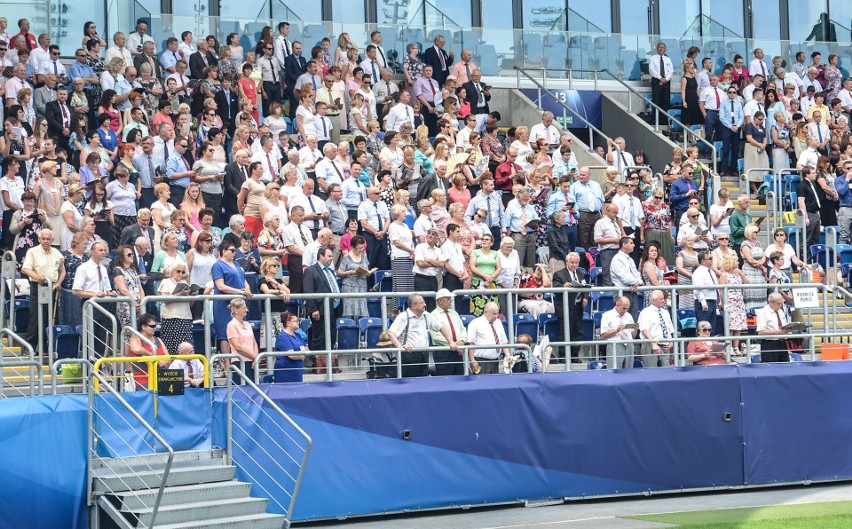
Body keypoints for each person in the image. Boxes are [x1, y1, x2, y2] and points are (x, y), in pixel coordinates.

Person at [20, 229, 64, 350]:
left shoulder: (56, 253)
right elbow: (25, 269)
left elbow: (62, 270)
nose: (45, 241)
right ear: (39, 239)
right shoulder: (33, 251)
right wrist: (37, 277)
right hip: (38, 286)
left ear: (52, 240)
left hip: (53, 287)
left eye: (48, 239)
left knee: (51, 319)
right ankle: (29, 348)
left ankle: (46, 347)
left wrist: (59, 282)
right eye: (43, 239)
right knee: (36, 318)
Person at [212, 242, 252, 357]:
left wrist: (247, 289)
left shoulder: (237, 264)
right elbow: (220, 286)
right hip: (224, 304)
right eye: (232, 250)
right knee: (225, 333)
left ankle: (241, 359)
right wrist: (241, 292)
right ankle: (226, 364)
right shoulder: (218, 265)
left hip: (239, 303)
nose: (235, 253)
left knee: (239, 330)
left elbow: (244, 280)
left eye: (235, 251)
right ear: (224, 251)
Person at [552, 252, 588, 363]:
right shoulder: (559, 274)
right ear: (566, 262)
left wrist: (585, 297)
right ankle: (563, 357)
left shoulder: (581, 274)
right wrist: (563, 286)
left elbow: (585, 287)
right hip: (564, 307)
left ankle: (574, 356)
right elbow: (555, 288)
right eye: (572, 262)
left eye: (576, 263)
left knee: (578, 332)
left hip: (578, 307)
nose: (574, 265)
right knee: (565, 332)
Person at [157, 262, 194, 354]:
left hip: (186, 317)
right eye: (178, 271)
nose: (180, 274)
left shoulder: (185, 283)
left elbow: (190, 304)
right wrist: (179, 294)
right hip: (172, 318)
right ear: (172, 271)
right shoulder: (166, 282)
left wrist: (193, 295)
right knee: (174, 347)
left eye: (183, 272)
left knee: (187, 346)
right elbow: (165, 300)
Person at [430, 289, 468, 376]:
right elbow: (436, 336)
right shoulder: (433, 315)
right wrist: (453, 344)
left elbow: (463, 329)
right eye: (448, 299)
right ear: (440, 301)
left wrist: (462, 341)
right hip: (443, 352)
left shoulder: (454, 313)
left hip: (458, 351)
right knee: (445, 378)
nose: (450, 301)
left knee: (459, 376)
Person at [128, 314, 171, 390]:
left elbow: (168, 358)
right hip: (143, 379)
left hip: (162, 377)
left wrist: (163, 362)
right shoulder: (135, 338)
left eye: (155, 326)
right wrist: (154, 357)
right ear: (143, 326)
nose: (154, 328)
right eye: (152, 326)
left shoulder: (158, 340)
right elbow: (136, 349)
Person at [467, 302, 511, 375]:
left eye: (497, 313)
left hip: (495, 360)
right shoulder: (475, 323)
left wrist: (507, 354)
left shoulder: (498, 322)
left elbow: (504, 341)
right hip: (481, 361)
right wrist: (472, 360)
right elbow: (471, 343)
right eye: (493, 314)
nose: (496, 316)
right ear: (485, 312)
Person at [257, 257, 290, 347]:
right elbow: (266, 291)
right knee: (270, 341)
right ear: (267, 268)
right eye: (274, 265)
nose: (277, 267)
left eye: (278, 266)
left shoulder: (278, 281)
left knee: (281, 342)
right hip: (270, 314)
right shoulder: (262, 280)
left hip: (281, 314)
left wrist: (275, 282)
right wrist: (280, 292)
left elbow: (288, 291)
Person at [638, 290, 675, 368]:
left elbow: (670, 329)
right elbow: (644, 330)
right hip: (651, 346)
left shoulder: (665, 312)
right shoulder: (645, 312)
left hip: (665, 347)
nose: (663, 301)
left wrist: (671, 342)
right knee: (652, 372)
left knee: (666, 372)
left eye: (663, 299)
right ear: (653, 301)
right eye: (660, 299)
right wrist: (653, 344)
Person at [226, 298, 259, 383]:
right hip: (239, 361)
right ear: (236, 310)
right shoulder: (231, 325)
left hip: (252, 362)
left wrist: (255, 358)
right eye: (244, 308)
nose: (246, 310)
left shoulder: (247, 324)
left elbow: (254, 342)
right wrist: (255, 357)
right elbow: (238, 346)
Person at [600, 296, 637, 369]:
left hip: (629, 345)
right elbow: (603, 335)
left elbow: (633, 336)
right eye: (624, 308)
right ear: (617, 305)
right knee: (614, 370)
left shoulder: (629, 315)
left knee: (629, 371)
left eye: (627, 308)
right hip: (615, 345)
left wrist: (635, 330)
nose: (625, 311)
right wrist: (616, 330)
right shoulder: (607, 315)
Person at [610, 237, 643, 320]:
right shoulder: (617, 259)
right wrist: (639, 282)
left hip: (633, 292)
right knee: (621, 320)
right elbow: (625, 278)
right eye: (631, 243)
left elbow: (636, 274)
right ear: (624, 245)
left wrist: (636, 282)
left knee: (632, 320)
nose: (634, 245)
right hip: (622, 293)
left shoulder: (630, 259)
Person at [412, 229, 443, 312]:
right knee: (420, 304)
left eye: (433, 234)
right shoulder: (420, 247)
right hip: (421, 279)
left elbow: (442, 264)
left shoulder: (438, 250)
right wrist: (435, 262)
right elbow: (420, 264)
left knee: (432, 305)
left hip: (433, 279)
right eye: (429, 233)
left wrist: (429, 260)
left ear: (437, 237)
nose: (430, 235)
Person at [756, 292, 792, 363]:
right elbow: (761, 332)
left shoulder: (780, 311)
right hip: (769, 343)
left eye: (781, 303)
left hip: (782, 342)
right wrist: (779, 331)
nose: (780, 305)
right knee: (771, 366)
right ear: (771, 302)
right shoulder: (763, 312)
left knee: (785, 365)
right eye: (778, 303)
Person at [273, 311, 307, 383]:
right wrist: (302, 355)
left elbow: (307, 349)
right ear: (288, 323)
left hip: (297, 372)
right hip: (286, 373)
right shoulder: (283, 337)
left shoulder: (298, 335)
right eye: (295, 321)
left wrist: (300, 353)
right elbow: (291, 355)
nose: (298, 322)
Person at [692, 251, 720, 335]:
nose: (712, 260)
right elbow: (697, 289)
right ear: (703, 261)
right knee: (703, 328)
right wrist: (703, 303)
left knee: (711, 328)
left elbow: (716, 287)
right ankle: (702, 346)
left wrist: (719, 302)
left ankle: (710, 346)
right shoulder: (698, 272)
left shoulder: (711, 271)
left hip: (712, 301)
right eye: (710, 259)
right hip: (704, 302)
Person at [649, 42, 673, 124]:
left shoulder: (668, 59)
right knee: (656, 100)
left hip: (666, 81)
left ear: (665, 49)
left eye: (663, 47)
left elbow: (671, 70)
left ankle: (664, 120)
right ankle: (655, 120)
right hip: (656, 80)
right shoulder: (653, 58)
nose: (661, 48)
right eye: (659, 47)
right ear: (657, 48)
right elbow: (651, 70)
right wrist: (660, 78)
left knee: (666, 101)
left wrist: (665, 79)